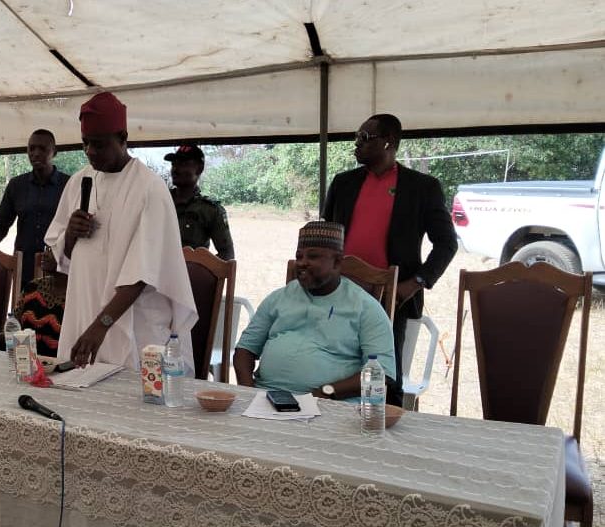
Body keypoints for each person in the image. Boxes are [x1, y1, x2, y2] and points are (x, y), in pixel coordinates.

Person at [44, 91, 197, 370]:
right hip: (85, 310)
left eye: (99, 144)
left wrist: (101, 326)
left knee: (126, 392)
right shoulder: (79, 182)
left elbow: (142, 274)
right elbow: (56, 258)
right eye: (85, 143)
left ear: (123, 138)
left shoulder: (149, 189)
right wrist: (70, 235)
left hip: (136, 323)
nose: (90, 151)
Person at [322, 113, 458, 406]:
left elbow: (446, 244)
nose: (356, 144)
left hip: (392, 298)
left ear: (389, 142)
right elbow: (325, 235)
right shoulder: (343, 183)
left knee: (384, 377)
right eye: (356, 138)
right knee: (331, 365)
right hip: (338, 292)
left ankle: (384, 426)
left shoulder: (422, 187)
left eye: (364, 138)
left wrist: (416, 282)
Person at [233, 221, 395, 398]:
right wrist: (249, 392)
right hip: (266, 396)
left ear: (337, 262)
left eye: (313, 257)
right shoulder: (279, 297)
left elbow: (381, 374)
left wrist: (327, 392)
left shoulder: (366, 307)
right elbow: (245, 350)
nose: (302, 263)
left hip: (331, 402)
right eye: (299, 256)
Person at [0, 129, 69, 285]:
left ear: (54, 152)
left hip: (58, 267)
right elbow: (1, 226)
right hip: (24, 268)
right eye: (31, 148)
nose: (36, 153)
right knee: (24, 301)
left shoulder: (69, 185)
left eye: (42, 149)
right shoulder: (16, 186)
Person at [165, 144, 234, 260]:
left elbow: (227, 255)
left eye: (183, 164)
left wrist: (199, 268)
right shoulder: (159, 201)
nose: (175, 170)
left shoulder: (210, 210)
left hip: (191, 271)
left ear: (199, 169)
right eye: (174, 164)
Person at [13, 246, 67, 358]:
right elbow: (15, 325)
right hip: (25, 361)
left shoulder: (77, 297)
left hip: (62, 364)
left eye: (52, 250)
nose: (44, 254)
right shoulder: (33, 287)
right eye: (46, 249)